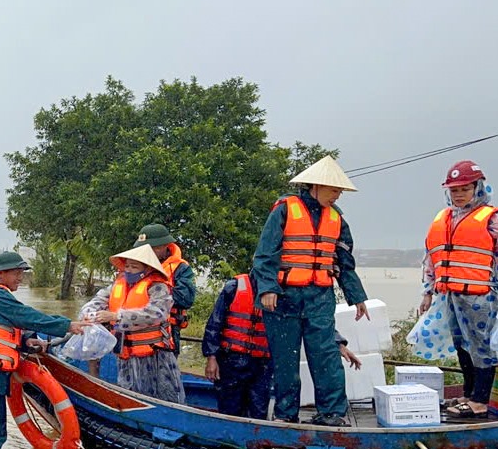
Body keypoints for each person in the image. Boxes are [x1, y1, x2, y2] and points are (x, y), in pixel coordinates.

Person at [252, 155, 369, 425]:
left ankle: (332, 414)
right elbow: (265, 254)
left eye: (340, 191)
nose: (337, 195)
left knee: (326, 356)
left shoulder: (337, 219)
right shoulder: (285, 209)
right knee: (286, 361)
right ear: (315, 186)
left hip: (319, 298)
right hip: (283, 297)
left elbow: (344, 263)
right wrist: (268, 288)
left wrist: (357, 297)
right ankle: (285, 415)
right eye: (333, 190)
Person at [0, 251, 87, 449]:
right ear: (1, 273)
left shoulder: (0, 295)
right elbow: (24, 315)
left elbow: (1, 329)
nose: (20, 277)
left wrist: (24, 342)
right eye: (16, 272)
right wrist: (67, 325)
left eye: (21, 272)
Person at [419, 160, 498, 419]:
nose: (458, 195)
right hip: (451, 294)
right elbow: (431, 257)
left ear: (478, 187)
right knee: (462, 344)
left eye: (464, 189)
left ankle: (480, 400)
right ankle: (469, 394)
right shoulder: (444, 218)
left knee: (482, 347)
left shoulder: (494, 217)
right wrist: (427, 291)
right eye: (454, 190)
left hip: (481, 296)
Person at [202, 273, 364, 419]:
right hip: (231, 361)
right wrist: (211, 357)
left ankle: (252, 447)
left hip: (262, 365)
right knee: (230, 410)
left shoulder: (285, 294)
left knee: (258, 412)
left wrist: (339, 344)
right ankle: (230, 445)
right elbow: (214, 324)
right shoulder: (234, 288)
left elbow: (312, 323)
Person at [82, 244, 184, 403]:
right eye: (127, 265)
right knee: (128, 393)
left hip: (154, 354)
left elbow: (156, 313)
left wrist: (117, 316)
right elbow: (96, 301)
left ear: (147, 268)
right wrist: (90, 314)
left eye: (134, 266)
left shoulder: (158, 286)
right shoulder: (117, 285)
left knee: (165, 394)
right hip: (125, 353)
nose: (128, 270)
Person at [133, 223, 196, 354]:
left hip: (167, 331)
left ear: (163, 246)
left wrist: (155, 289)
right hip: (136, 326)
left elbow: (186, 299)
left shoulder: (181, 268)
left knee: (164, 371)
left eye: (151, 248)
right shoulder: (133, 265)